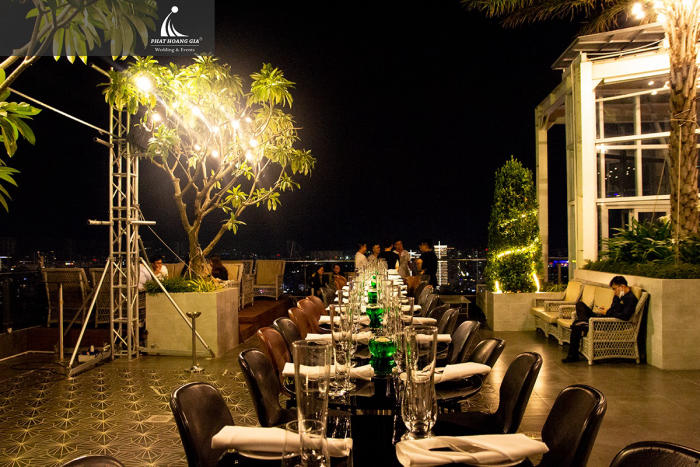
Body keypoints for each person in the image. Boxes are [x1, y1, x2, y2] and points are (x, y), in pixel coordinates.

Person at [562, 276, 638, 363]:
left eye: (614, 289)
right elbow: (613, 309)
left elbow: (625, 316)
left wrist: (607, 312)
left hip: (610, 324)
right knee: (580, 305)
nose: (614, 292)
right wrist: (606, 310)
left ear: (622, 286)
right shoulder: (618, 296)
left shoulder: (630, 299)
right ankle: (585, 323)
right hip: (604, 318)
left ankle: (573, 355)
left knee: (576, 325)